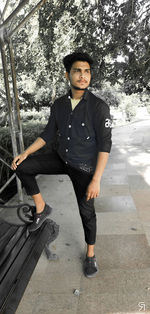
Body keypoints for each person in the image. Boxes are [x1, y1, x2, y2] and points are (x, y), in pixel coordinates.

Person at [11, 52, 112, 278]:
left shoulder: (98, 107)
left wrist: (96, 179)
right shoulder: (59, 105)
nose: (83, 76)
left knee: (87, 214)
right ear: (68, 75)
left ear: (90, 76)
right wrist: (25, 153)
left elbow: (105, 146)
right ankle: (41, 208)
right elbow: (47, 134)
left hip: (84, 167)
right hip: (61, 158)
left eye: (87, 71)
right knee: (22, 167)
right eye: (77, 71)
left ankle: (91, 255)